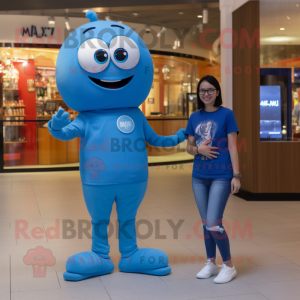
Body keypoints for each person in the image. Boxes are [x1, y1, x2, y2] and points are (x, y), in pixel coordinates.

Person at [185, 75, 241, 284]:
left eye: (210, 90)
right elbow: (189, 148)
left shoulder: (227, 114)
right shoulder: (194, 117)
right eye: (202, 91)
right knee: (206, 223)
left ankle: (228, 265)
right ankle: (211, 263)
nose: (205, 94)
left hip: (221, 175)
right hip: (199, 177)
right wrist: (198, 149)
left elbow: (233, 146)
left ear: (217, 92)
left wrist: (236, 175)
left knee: (214, 222)